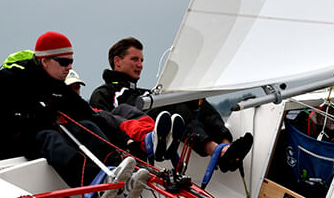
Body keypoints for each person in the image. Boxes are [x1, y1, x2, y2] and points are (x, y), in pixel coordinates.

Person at [0, 32, 149, 198]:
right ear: (45, 61)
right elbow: (2, 121)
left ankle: (119, 166)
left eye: (71, 62)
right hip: (6, 143)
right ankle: (92, 179)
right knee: (50, 136)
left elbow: (90, 115)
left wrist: (126, 141)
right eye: (64, 62)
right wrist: (39, 116)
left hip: (36, 132)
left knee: (84, 125)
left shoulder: (57, 85)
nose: (69, 67)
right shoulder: (10, 78)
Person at [90, 36, 252, 172]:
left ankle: (225, 146)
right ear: (117, 62)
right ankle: (215, 150)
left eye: (141, 60)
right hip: (142, 131)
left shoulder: (142, 93)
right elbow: (103, 123)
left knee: (193, 98)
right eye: (134, 59)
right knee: (174, 106)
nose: (140, 65)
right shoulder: (104, 93)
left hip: (161, 121)